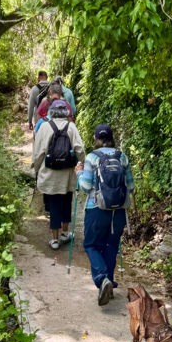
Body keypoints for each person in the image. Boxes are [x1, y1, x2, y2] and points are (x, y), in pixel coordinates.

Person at [77, 123, 135, 306]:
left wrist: (79, 173)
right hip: (118, 211)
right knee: (112, 244)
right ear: (112, 137)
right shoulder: (122, 156)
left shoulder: (92, 157)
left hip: (97, 209)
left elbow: (86, 186)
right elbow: (131, 186)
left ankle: (103, 279)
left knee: (91, 245)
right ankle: (108, 279)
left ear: (96, 139)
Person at [32, 100, 85, 250]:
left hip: (50, 173)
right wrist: (83, 162)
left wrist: (36, 168)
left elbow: (39, 152)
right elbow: (80, 149)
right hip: (67, 174)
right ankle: (65, 233)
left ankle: (54, 240)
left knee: (54, 204)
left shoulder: (44, 127)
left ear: (51, 112)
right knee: (66, 202)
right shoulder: (72, 127)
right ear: (66, 112)